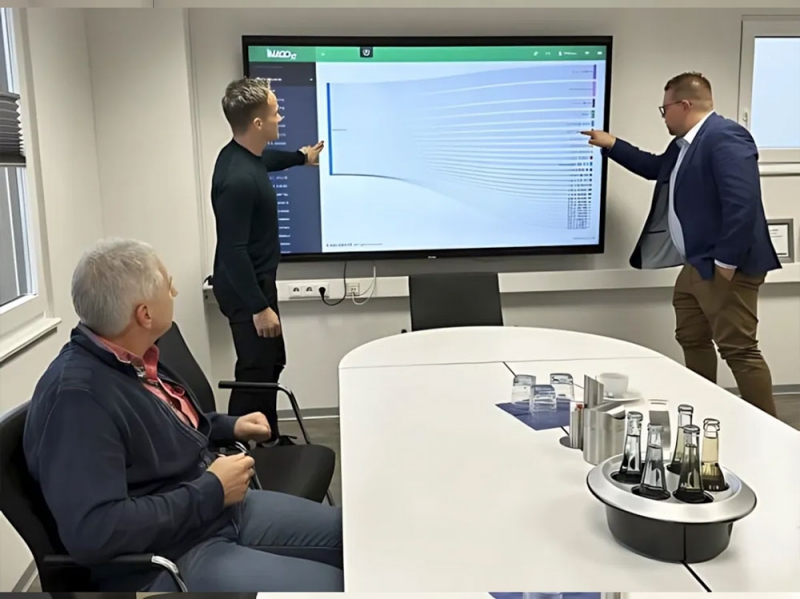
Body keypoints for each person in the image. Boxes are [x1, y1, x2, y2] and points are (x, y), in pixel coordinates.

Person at [23, 239, 343, 592]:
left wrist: (228, 426)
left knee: (360, 539)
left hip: (217, 511)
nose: (174, 291)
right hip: (176, 551)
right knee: (341, 588)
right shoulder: (78, 401)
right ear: (145, 314)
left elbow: (162, 425)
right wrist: (211, 490)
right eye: (167, 284)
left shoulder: (131, 359)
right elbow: (95, 531)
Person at [582, 72, 781, 416]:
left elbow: (742, 204)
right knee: (692, 337)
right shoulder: (684, 146)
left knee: (738, 349)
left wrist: (725, 265)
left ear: (684, 105)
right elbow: (654, 168)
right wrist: (612, 144)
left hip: (725, 266)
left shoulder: (725, 137)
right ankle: (703, 414)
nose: (663, 117)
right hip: (697, 264)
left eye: (665, 109)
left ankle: (770, 429)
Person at [210, 77, 324, 443]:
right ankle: (235, 447)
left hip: (256, 284)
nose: (280, 117)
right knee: (254, 371)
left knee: (271, 363)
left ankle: (267, 438)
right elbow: (233, 251)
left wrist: (301, 157)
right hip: (246, 290)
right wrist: (259, 307)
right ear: (258, 123)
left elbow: (266, 161)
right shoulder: (238, 180)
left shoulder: (243, 156)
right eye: (275, 113)